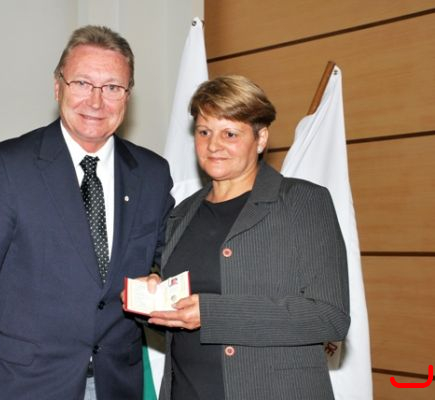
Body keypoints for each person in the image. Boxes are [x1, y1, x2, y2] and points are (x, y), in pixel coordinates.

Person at [0, 25, 174, 400]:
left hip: (116, 385)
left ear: (127, 96)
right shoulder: (8, 168)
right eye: (82, 83)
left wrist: (159, 280)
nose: (96, 101)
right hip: (23, 387)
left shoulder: (152, 175)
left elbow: (169, 264)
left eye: (112, 87)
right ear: (58, 87)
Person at [128, 75, 350, 399]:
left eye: (230, 133)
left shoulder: (302, 202)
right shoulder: (181, 214)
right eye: (204, 132)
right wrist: (150, 301)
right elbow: (180, 320)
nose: (213, 145)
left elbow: (330, 317)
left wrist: (213, 314)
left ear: (261, 138)